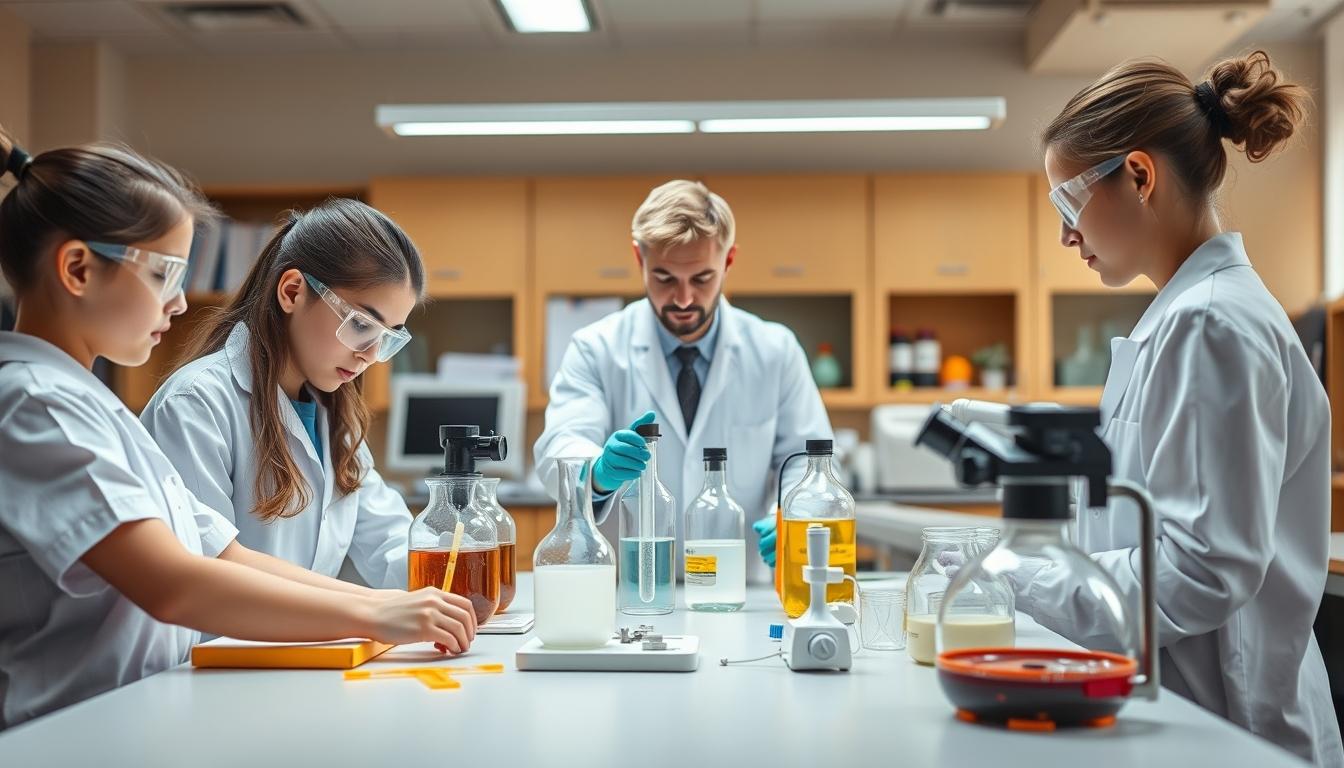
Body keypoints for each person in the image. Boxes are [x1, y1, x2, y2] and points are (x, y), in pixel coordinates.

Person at [0, 131, 475, 730]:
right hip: (65, 727)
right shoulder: (36, 404)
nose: (177, 306)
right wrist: (376, 616)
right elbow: (174, 584)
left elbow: (224, 553)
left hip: (133, 715)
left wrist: (386, 603)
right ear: (76, 268)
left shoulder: (88, 405)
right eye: (163, 276)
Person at [1026, 51, 1342, 765]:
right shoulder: (1186, 317)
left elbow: (1202, 573)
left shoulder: (1211, 323)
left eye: (1067, 203)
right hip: (1189, 713)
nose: (1065, 235)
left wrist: (1018, 577)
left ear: (1139, 175)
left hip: (1232, 728)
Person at [532, 180, 832, 573]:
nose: (684, 300)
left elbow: (808, 458)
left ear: (728, 261)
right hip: (632, 591)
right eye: (665, 278)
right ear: (639, 258)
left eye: (702, 279)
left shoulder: (775, 350)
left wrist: (798, 514)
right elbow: (563, 442)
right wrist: (598, 473)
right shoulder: (596, 347)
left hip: (737, 586)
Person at [142, 198, 419, 589]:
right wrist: (371, 609)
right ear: (292, 292)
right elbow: (211, 568)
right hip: (220, 648)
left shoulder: (334, 418)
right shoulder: (195, 403)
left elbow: (390, 544)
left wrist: (457, 572)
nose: (371, 355)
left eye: (387, 338)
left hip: (301, 645)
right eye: (361, 325)